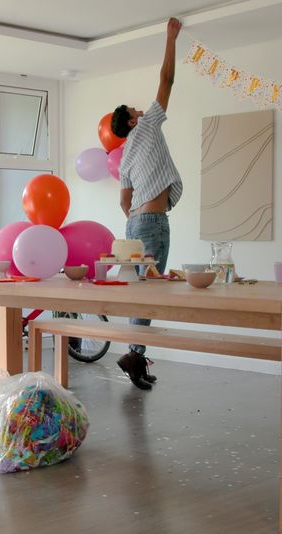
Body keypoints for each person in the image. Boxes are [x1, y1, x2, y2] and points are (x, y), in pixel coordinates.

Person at [109, 17, 184, 391]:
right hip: (152, 223)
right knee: (149, 293)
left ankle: (136, 356)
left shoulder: (124, 157)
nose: (143, 110)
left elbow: (123, 200)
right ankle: (134, 356)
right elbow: (167, 81)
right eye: (138, 109)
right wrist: (170, 38)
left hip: (134, 227)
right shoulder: (149, 126)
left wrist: (137, 216)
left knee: (140, 292)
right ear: (134, 118)